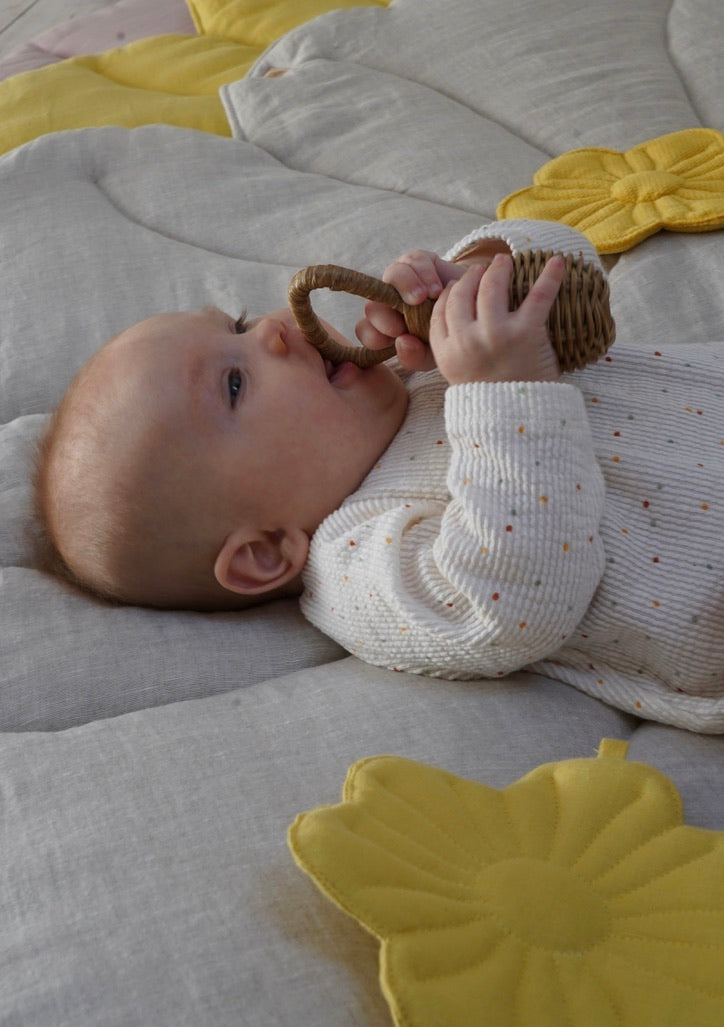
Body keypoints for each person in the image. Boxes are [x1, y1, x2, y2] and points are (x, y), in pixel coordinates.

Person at [34, 220, 723, 732]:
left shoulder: (420, 365)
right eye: (236, 384)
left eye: (240, 324)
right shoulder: (357, 561)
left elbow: (576, 290)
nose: (275, 327)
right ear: (265, 550)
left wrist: (476, 275)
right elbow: (505, 609)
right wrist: (507, 389)